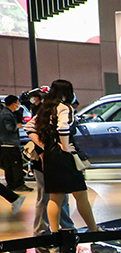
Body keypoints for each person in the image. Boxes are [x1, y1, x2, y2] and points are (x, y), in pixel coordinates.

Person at [29, 79, 98, 232]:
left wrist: (44, 147)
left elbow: (29, 127)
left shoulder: (46, 108)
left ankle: (54, 233)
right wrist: (66, 147)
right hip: (64, 157)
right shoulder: (64, 108)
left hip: (50, 156)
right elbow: (63, 128)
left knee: (55, 198)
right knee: (81, 195)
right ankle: (94, 229)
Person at [1, 96, 28, 191]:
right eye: (17, 103)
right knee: (16, 164)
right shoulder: (7, 115)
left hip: (5, 144)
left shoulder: (5, 113)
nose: (18, 105)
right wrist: (18, 126)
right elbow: (10, 128)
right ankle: (19, 184)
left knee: (8, 166)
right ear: (13, 103)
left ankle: (11, 184)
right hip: (10, 143)